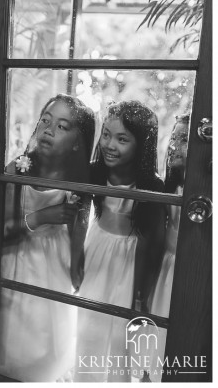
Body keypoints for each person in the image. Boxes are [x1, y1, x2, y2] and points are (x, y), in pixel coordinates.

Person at [0, 94, 95, 382]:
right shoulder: (18, 168)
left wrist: (77, 260)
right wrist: (41, 218)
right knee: (15, 326)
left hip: (54, 259)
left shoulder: (77, 179)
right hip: (16, 255)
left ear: (78, 142)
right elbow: (0, 227)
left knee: (48, 329)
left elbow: (80, 223)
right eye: (46, 120)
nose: (49, 130)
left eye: (63, 127)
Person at [74, 100, 165, 382]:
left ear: (143, 146)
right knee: (90, 323)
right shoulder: (94, 172)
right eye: (106, 135)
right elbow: (79, 213)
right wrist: (76, 255)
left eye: (122, 139)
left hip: (129, 258)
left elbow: (153, 241)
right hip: (98, 248)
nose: (110, 144)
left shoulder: (152, 186)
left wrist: (142, 291)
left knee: (119, 333)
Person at [142, 114, 189, 382]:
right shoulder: (168, 189)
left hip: (185, 271)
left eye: (183, 139)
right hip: (164, 270)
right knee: (155, 341)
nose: (174, 145)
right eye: (174, 137)